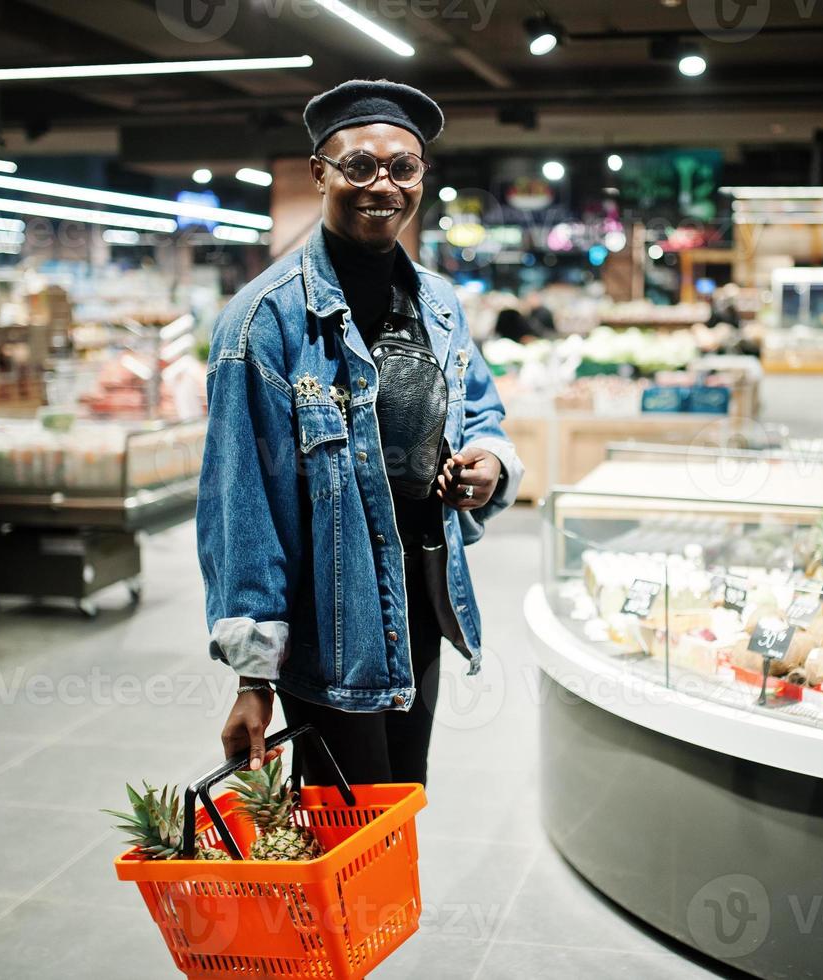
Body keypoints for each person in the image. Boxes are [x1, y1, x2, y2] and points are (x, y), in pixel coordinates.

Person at [198, 79, 523, 788]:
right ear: (319, 172)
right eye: (360, 166)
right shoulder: (263, 323)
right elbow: (241, 505)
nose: (384, 184)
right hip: (333, 630)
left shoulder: (438, 301)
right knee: (344, 824)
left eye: (402, 168)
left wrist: (489, 463)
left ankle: (390, 908)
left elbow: (481, 410)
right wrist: (253, 676)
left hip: (423, 603)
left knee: (403, 797)